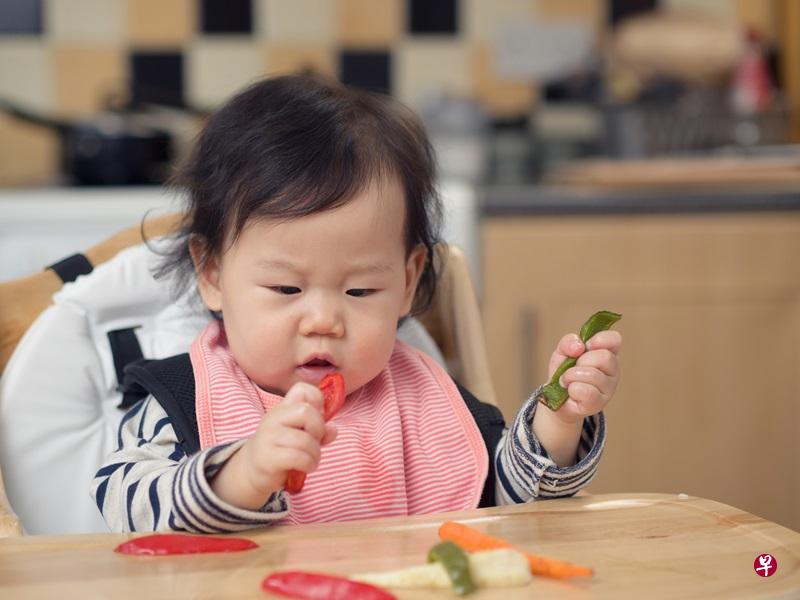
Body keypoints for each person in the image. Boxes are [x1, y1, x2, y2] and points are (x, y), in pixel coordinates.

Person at [92, 74, 622, 533]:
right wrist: (242, 474)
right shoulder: (183, 398)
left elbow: (508, 507)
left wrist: (560, 419)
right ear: (212, 274)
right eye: (286, 289)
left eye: (360, 291)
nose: (324, 321)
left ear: (408, 281)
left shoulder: (423, 398)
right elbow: (125, 505)